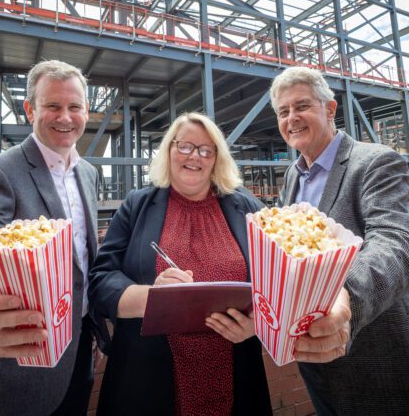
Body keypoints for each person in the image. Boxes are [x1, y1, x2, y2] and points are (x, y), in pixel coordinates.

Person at [270, 66, 409, 415]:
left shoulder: (374, 161)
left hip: (381, 352)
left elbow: (396, 242)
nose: (292, 118)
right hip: (318, 360)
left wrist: (348, 297)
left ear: (329, 109)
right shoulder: (293, 176)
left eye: (301, 106)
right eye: (283, 111)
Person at [0, 60, 101, 416]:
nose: (65, 117)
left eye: (75, 107)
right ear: (30, 109)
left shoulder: (88, 173)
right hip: (20, 367)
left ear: (86, 110)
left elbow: (84, 258)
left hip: (79, 352)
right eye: (53, 106)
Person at [89, 112, 272, 416]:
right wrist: (151, 297)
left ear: (216, 159)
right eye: (185, 146)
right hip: (147, 378)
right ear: (169, 150)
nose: (194, 157)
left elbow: (283, 276)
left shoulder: (247, 207)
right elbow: (101, 278)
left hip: (236, 369)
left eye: (205, 150)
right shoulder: (137, 205)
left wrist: (261, 324)